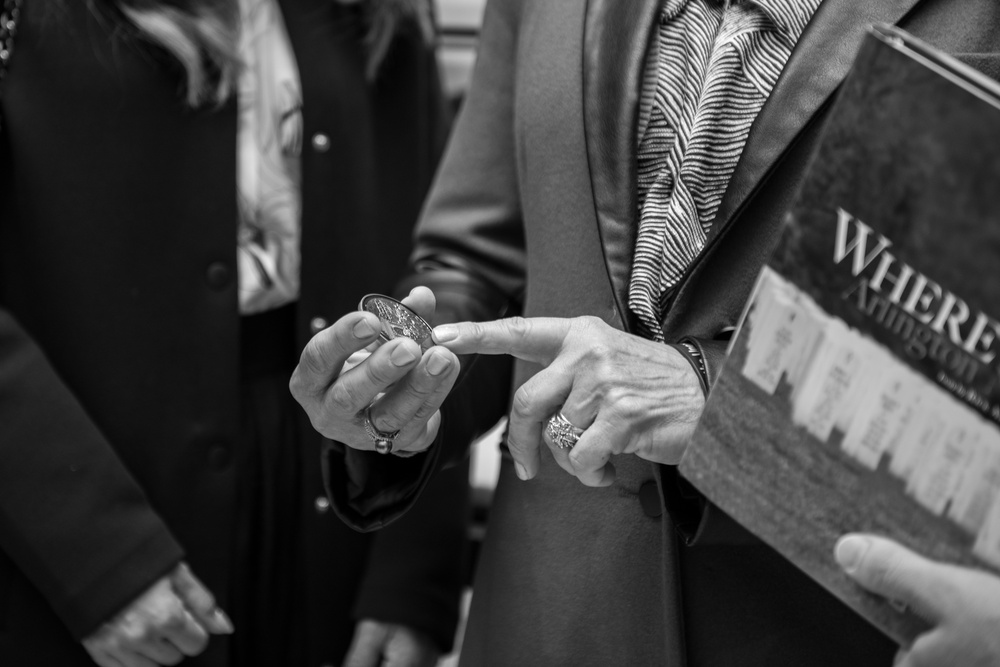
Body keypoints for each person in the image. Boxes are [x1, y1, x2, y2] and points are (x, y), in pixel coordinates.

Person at [290, 0, 1000, 665]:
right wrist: (406, 379)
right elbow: (484, 255)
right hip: (549, 615)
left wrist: (720, 391)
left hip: (822, 623)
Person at [0, 0, 468, 666]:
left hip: (334, 484)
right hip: (86, 476)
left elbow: (439, 257)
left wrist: (412, 572)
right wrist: (93, 551)